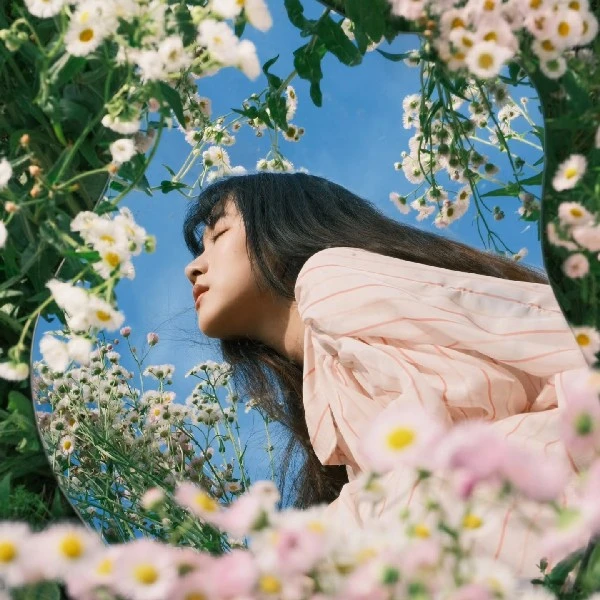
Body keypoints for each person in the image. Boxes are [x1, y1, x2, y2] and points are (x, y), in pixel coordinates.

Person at [183, 171, 589, 581]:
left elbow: (515, 359)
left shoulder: (328, 282)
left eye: (219, 235)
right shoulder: (320, 382)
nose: (193, 268)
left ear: (282, 227)